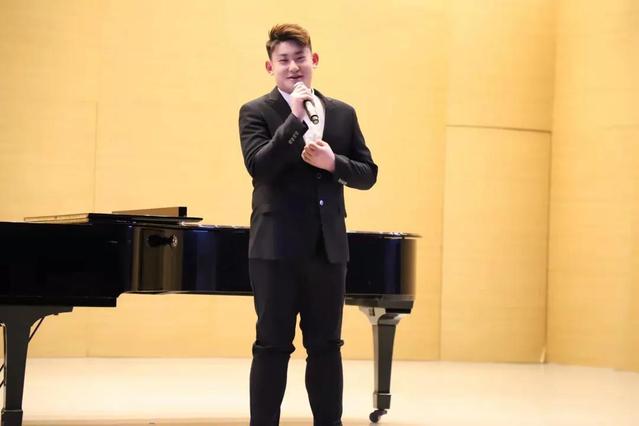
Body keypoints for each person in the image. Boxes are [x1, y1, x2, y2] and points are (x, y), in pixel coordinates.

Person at [238, 23, 377, 426]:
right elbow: (259, 167)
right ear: (270, 67)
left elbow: (368, 173)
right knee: (272, 346)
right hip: (275, 250)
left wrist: (334, 163)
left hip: (327, 250)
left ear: (313, 60)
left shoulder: (343, 113)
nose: (293, 67)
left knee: (327, 346)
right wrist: (294, 119)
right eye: (283, 60)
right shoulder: (255, 112)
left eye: (300, 58)